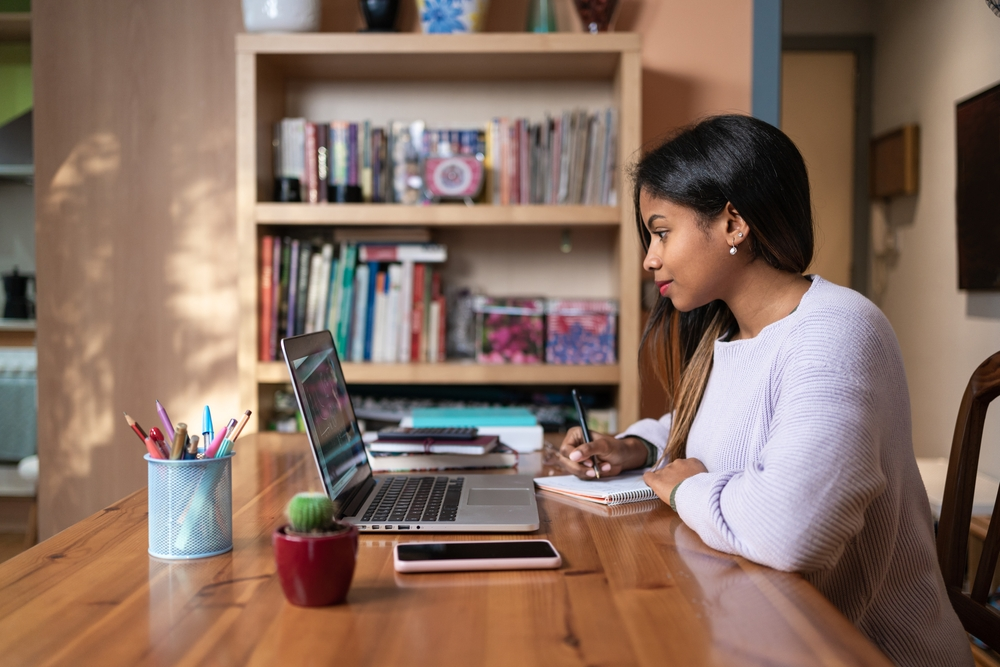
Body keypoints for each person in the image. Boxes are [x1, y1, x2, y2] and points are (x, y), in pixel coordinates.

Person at [555, 114, 972, 667]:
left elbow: (793, 532)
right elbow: (719, 431)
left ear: (732, 223)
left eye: (661, 231)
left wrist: (688, 491)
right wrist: (637, 446)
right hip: (767, 632)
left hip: (863, 652)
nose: (650, 258)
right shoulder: (728, 331)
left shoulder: (836, 328)